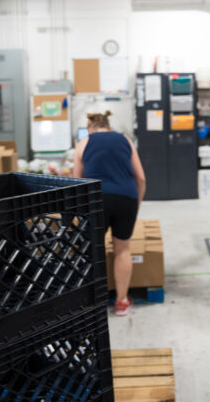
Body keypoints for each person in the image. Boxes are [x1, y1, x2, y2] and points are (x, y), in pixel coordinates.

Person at [73, 111, 146, 317]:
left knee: (92, 250)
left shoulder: (84, 143)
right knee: (122, 249)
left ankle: (91, 303)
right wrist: (136, 203)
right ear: (109, 127)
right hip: (126, 198)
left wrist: (79, 211)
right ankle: (121, 302)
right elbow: (140, 178)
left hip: (96, 200)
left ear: (90, 129)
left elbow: (76, 181)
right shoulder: (125, 140)